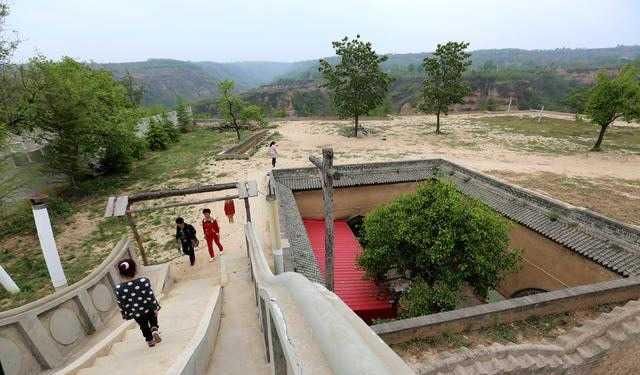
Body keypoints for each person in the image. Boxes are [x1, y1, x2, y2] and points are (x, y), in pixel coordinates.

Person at [114, 259, 161, 347]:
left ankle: (149, 340)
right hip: (149, 308)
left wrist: (125, 314)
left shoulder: (119, 288)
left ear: (121, 273)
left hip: (136, 312)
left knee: (143, 325)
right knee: (153, 318)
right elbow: (150, 295)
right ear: (135, 269)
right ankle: (154, 329)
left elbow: (121, 303)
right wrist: (155, 307)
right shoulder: (144, 281)